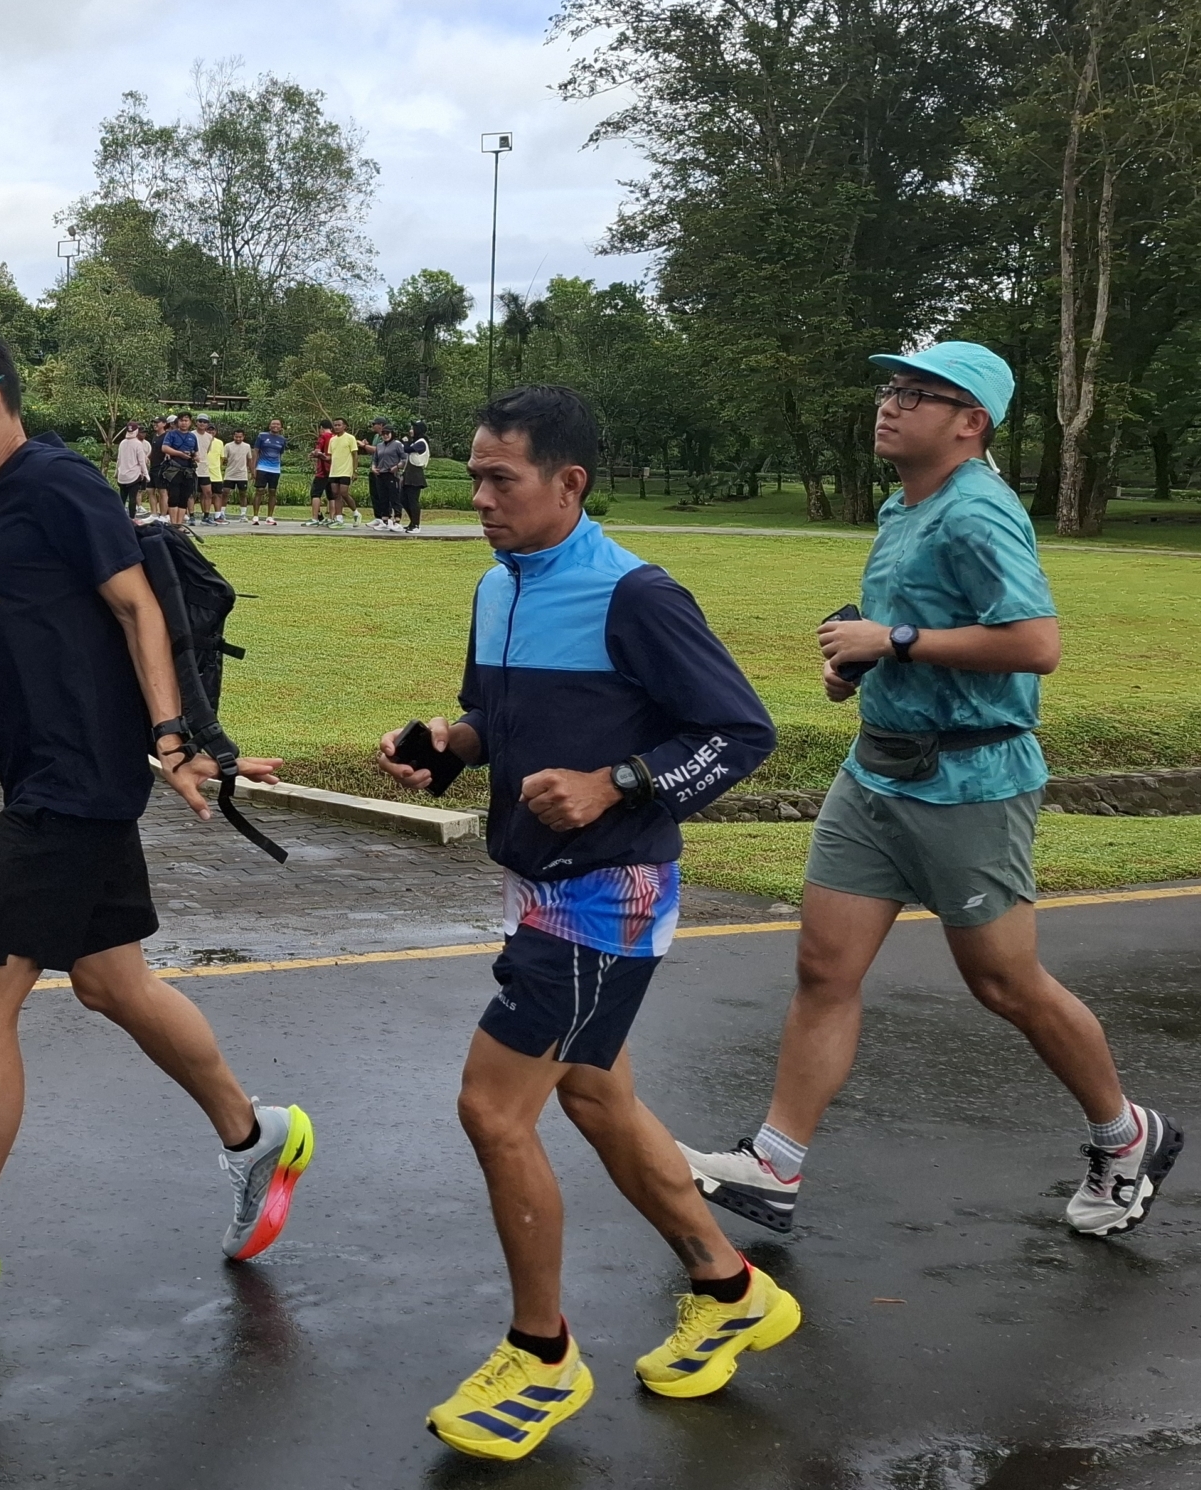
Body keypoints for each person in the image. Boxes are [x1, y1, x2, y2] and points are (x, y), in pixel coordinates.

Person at [0, 319, 312, 1331]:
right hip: (60, 780)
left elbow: (139, 605)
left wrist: (177, 739)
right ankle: (253, 1133)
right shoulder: (9, 498)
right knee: (110, 979)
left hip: (68, 787)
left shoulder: (57, 483)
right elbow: (26, 596)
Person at [678, 341, 1183, 1241]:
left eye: (917, 394)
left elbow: (1034, 645)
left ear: (968, 422)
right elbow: (905, 625)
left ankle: (1124, 1133)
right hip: (876, 768)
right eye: (890, 388)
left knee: (1004, 982)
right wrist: (858, 662)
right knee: (823, 969)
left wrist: (893, 641)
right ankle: (773, 1165)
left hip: (970, 780)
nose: (889, 404)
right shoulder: (901, 502)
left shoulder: (978, 513)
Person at [376, 385, 794, 1462]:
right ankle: (728, 1286)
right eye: (470, 476)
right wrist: (447, 741)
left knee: (492, 1107)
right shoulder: (498, 582)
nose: (477, 498)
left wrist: (619, 780)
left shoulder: (634, 594)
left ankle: (542, 1353)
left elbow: (740, 732)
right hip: (538, 882)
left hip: (606, 893)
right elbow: (493, 718)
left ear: (569, 482)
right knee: (600, 1097)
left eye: (499, 479)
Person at [160, 411, 198, 527]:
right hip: (174, 469)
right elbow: (165, 448)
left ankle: (179, 524)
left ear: (190, 422)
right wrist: (179, 454)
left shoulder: (192, 436)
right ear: (178, 422)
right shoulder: (171, 434)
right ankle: (173, 524)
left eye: (186, 421)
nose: (184, 423)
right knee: (174, 496)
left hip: (188, 470)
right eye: (181, 420)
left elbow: (196, 452)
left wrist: (195, 456)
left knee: (184, 497)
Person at [367, 417, 406, 529]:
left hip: (392, 474)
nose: (385, 435)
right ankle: (385, 520)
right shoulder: (379, 446)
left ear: (392, 433)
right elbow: (375, 459)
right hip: (380, 474)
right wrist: (374, 467)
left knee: (394, 497)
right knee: (382, 497)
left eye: (387, 433)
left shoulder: (397, 444)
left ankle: (397, 521)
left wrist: (397, 467)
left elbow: (404, 458)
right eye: (383, 434)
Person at [325, 416, 360, 526]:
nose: (337, 427)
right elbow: (330, 457)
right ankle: (339, 517)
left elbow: (355, 455)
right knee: (335, 494)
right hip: (334, 471)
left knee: (344, 492)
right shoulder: (332, 440)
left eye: (339, 425)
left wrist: (354, 471)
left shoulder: (350, 438)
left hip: (346, 471)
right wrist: (319, 455)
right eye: (335, 425)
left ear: (344, 426)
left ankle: (356, 512)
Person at [252, 418, 285, 526]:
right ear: (270, 426)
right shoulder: (262, 436)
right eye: (273, 424)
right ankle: (255, 516)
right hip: (262, 467)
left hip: (275, 469)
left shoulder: (282, 439)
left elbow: (280, 454)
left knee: (272, 492)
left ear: (280, 427)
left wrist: (279, 467)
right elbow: (256, 451)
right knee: (259, 490)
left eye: (278, 424)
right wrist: (253, 468)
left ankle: (269, 517)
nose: (275, 425)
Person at [400, 419, 431, 534]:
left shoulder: (422, 442)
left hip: (416, 474)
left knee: (413, 500)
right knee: (403, 499)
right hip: (409, 473)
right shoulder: (415, 442)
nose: (410, 431)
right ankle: (412, 522)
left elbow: (407, 449)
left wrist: (405, 442)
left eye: (413, 428)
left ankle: (416, 525)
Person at [115, 421, 150, 518]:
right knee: (132, 498)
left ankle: (120, 517)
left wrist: (116, 472)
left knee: (122, 498)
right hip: (134, 476)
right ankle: (132, 518)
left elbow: (119, 459)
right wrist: (146, 474)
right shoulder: (138, 444)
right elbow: (141, 461)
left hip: (122, 476)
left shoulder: (122, 443)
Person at [305, 419, 333, 525]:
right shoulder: (335, 437)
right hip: (333, 470)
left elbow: (318, 451)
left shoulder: (323, 437)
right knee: (332, 495)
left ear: (321, 428)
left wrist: (313, 453)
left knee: (315, 494)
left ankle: (315, 518)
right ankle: (332, 518)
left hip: (322, 471)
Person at [200, 414, 227, 524]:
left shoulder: (220, 442)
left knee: (217, 494)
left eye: (213, 431)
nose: (211, 433)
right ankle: (204, 514)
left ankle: (217, 515)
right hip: (203, 471)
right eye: (209, 430)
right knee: (204, 494)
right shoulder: (201, 439)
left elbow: (222, 458)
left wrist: (217, 467)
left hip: (215, 472)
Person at [221, 427, 252, 520]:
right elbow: (224, 459)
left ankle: (243, 514)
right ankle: (222, 513)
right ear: (233, 436)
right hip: (230, 473)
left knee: (243, 494)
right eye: (236, 437)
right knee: (225, 492)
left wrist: (252, 471)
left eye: (240, 437)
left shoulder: (247, 446)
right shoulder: (228, 446)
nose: (238, 439)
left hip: (242, 474)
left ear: (243, 437)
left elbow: (249, 459)